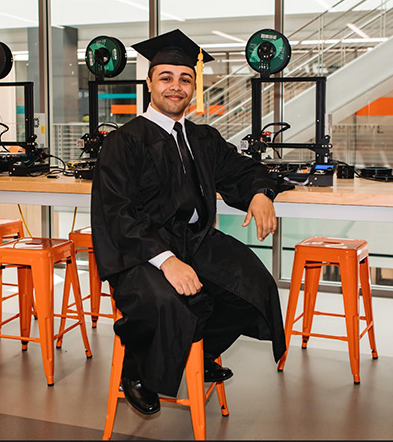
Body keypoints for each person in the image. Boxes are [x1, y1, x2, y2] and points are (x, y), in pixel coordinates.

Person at [91, 29, 286, 415]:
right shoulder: (124, 142)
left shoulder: (203, 137)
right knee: (167, 301)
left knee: (254, 286)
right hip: (142, 251)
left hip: (195, 240)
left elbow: (242, 170)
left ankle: (202, 349)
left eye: (184, 79)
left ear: (193, 87)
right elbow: (118, 214)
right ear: (149, 82)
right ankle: (137, 372)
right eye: (165, 77)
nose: (175, 87)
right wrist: (167, 261)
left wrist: (261, 192)